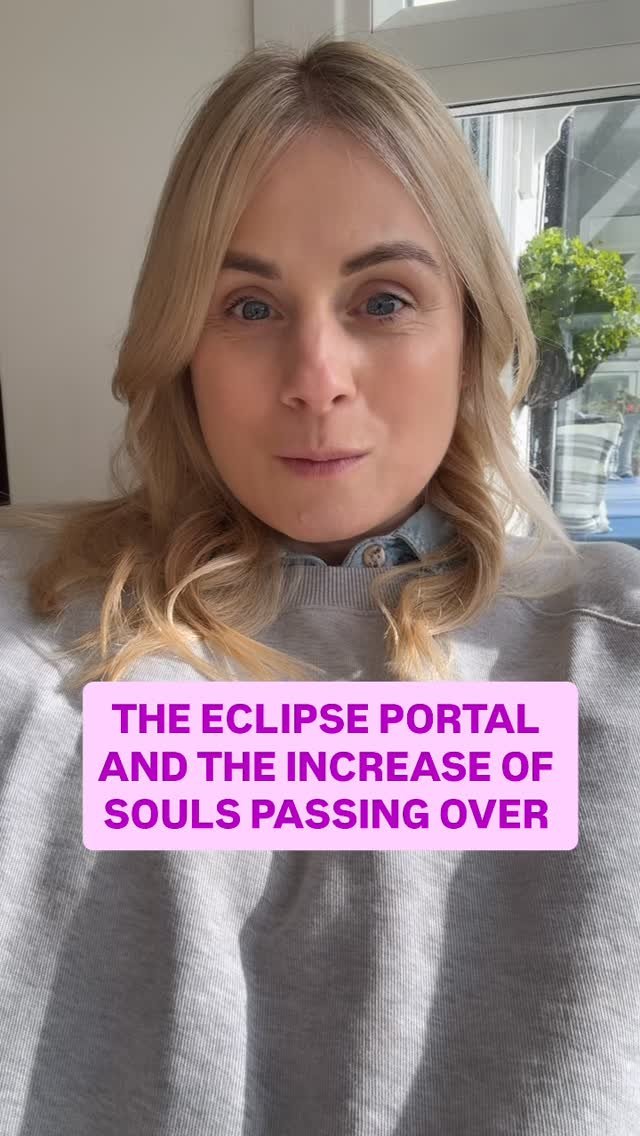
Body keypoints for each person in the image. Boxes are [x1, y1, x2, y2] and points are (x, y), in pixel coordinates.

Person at [0, 34, 638, 1136]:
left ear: (471, 328)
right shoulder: (32, 625)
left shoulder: (609, 644)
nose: (315, 380)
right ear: (182, 348)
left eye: (383, 300)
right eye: (248, 308)